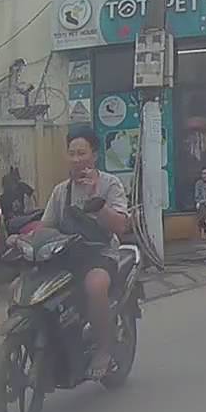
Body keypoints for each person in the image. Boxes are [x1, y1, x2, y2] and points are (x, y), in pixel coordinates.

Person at [38, 127, 130, 380]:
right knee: (23, 287)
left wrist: (96, 201)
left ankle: (103, 349)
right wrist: (20, 238)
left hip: (100, 254)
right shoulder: (61, 191)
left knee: (95, 285)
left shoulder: (110, 184)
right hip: (67, 256)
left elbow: (120, 226)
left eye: (82, 153)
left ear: (95, 155)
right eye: (72, 153)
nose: (76, 159)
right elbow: (45, 226)